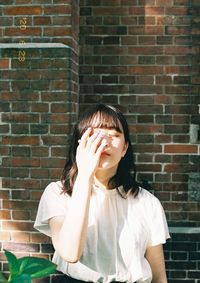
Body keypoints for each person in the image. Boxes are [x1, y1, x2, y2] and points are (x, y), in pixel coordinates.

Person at [34, 103, 170, 283]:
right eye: (95, 134)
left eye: (114, 135)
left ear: (124, 149)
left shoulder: (147, 202)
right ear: (79, 144)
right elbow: (70, 252)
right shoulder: (57, 193)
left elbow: (159, 277)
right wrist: (85, 175)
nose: (104, 142)